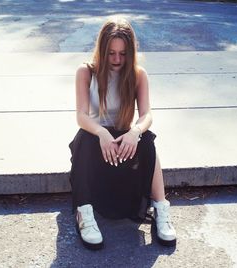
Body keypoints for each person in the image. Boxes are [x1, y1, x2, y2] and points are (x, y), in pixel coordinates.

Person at [69, 17, 176, 250]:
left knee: (147, 139)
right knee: (83, 137)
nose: (117, 59)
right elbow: (81, 116)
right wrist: (101, 133)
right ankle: (83, 213)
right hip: (96, 147)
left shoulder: (138, 75)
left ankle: (161, 209)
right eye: (111, 53)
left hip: (122, 148)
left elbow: (147, 115)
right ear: (102, 50)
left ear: (131, 52)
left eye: (123, 53)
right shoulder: (85, 72)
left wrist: (134, 131)